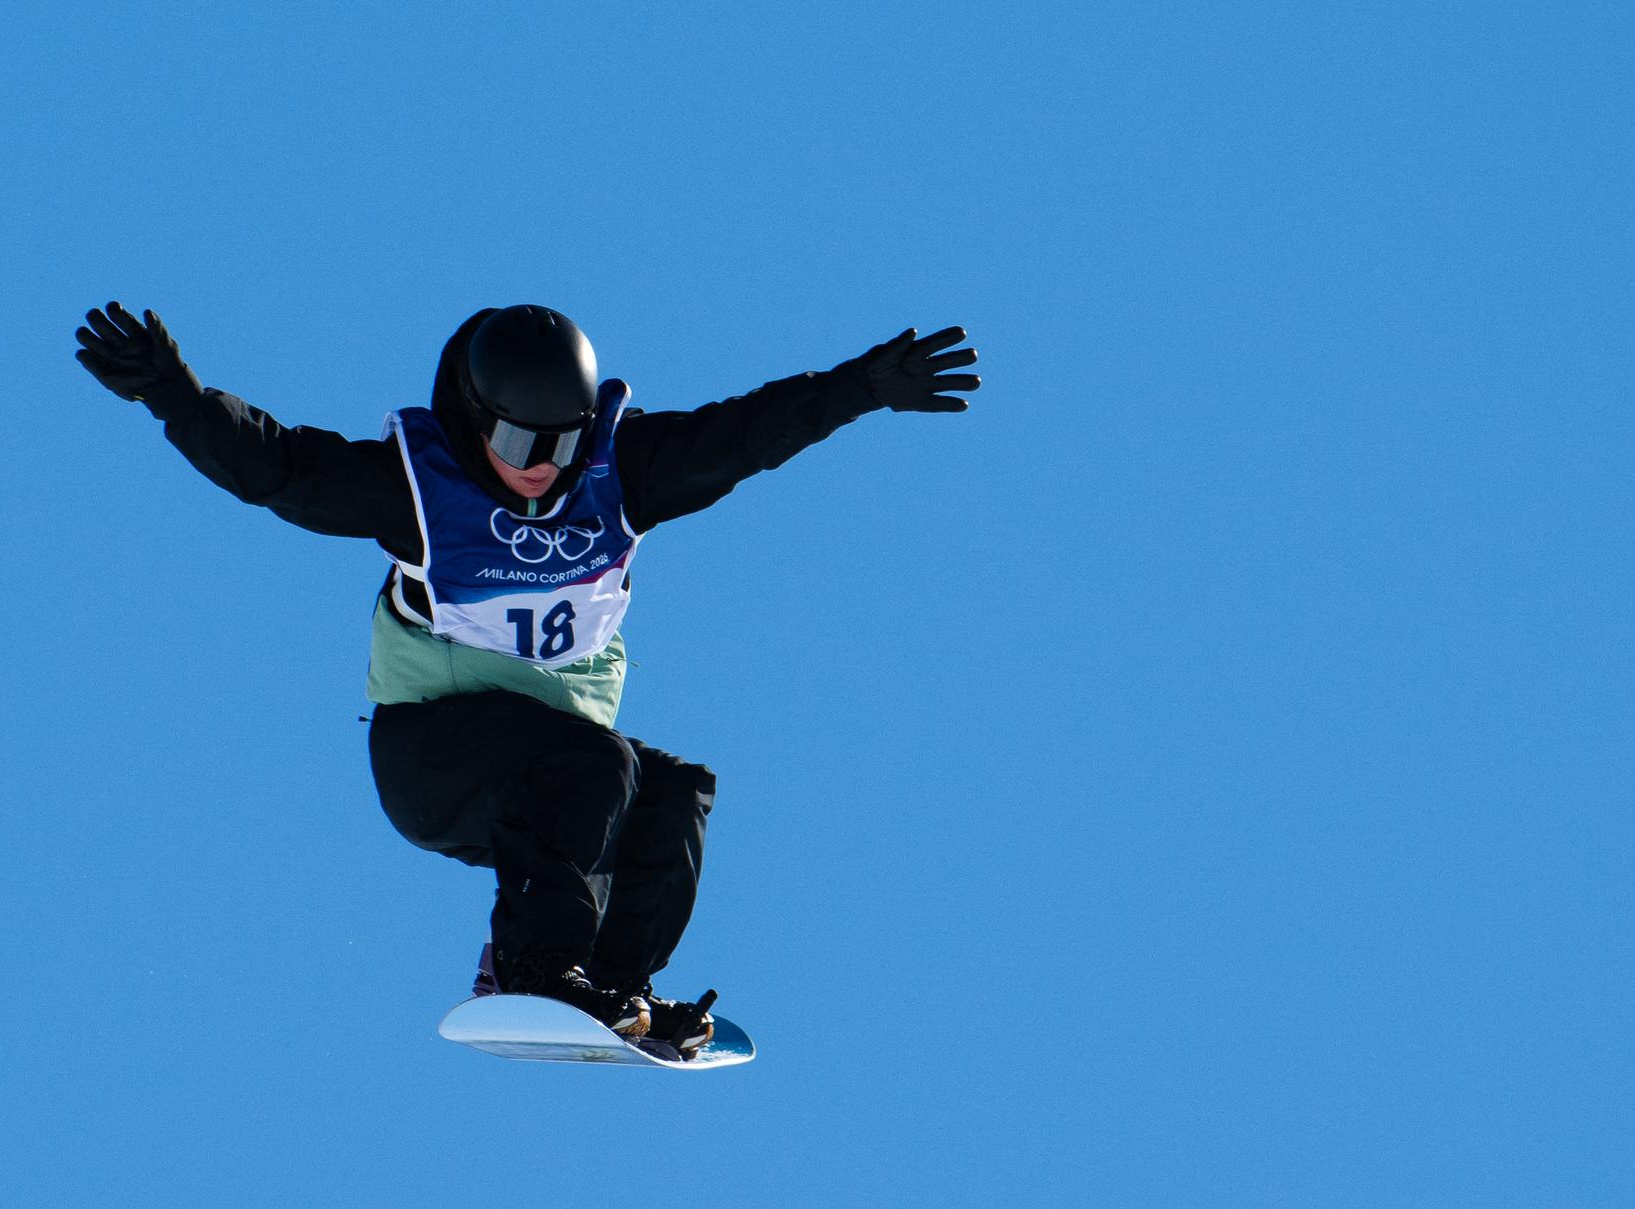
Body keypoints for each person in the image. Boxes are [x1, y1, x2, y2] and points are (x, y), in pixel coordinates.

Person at [74, 300, 979, 1056]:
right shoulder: (416, 493)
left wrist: (861, 387)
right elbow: (275, 467)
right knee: (599, 764)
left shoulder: (622, 477)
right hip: (433, 754)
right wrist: (171, 393)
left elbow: (746, 434)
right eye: (516, 435)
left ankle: (618, 989)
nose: (541, 463)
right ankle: (531, 968)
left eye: (562, 439)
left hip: (545, 781)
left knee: (674, 794)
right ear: (473, 422)